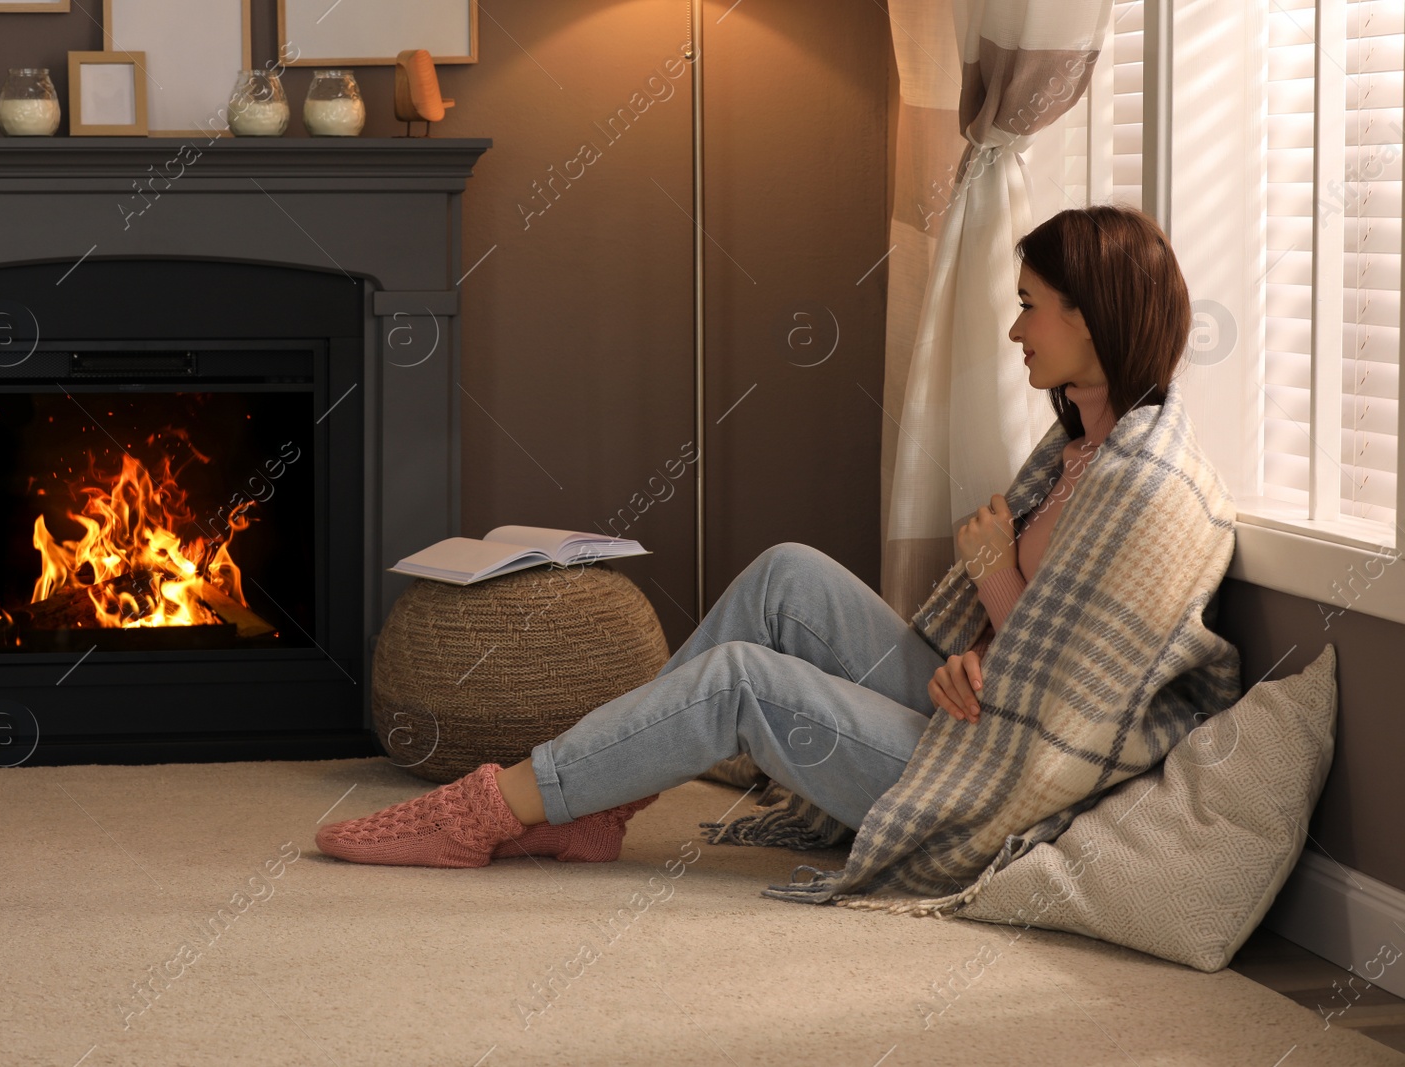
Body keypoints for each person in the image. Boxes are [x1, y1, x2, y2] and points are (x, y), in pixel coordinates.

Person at [316, 204, 1197, 869]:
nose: (1014, 330)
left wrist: (992, 579)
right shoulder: (1080, 447)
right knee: (786, 572)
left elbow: (1076, 699)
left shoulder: (1138, 485)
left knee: (741, 682)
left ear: (1087, 315)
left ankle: (494, 808)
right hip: (973, 710)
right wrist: (990, 640)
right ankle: (594, 805)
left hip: (986, 780)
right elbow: (1049, 634)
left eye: (1029, 307)